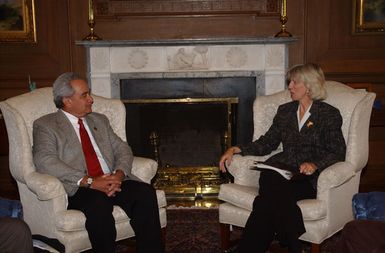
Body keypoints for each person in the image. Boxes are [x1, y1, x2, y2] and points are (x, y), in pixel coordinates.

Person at [219, 63, 346, 253]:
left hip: (305, 176)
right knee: (270, 177)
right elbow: (267, 142)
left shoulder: (328, 114)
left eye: (295, 82)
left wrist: (315, 164)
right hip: (280, 169)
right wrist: (237, 148)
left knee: (265, 202)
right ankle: (293, 241)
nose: (290, 86)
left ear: (309, 86)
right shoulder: (285, 111)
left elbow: (338, 151)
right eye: (290, 82)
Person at [32, 72, 164, 253]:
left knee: (144, 193)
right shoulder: (46, 125)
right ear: (67, 100)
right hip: (79, 187)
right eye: (84, 95)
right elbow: (44, 161)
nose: (91, 99)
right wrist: (90, 181)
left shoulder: (99, 120)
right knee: (98, 203)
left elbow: (122, 149)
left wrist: (119, 174)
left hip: (112, 179)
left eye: (89, 93)